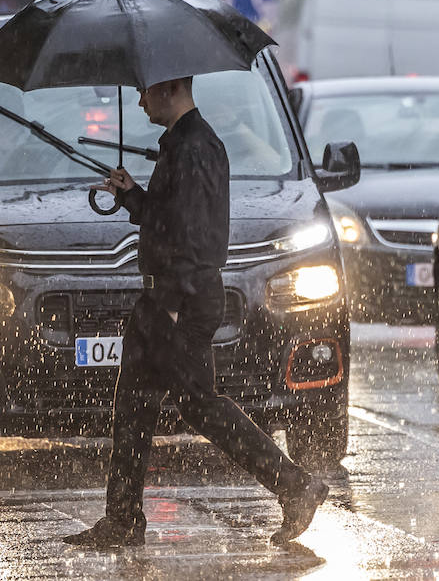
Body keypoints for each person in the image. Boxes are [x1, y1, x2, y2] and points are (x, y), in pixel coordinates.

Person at [63, 76, 329, 549]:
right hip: (167, 297)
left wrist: (168, 307)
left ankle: (296, 486)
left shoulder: (196, 148)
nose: (140, 100)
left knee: (198, 405)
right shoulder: (181, 146)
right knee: (136, 403)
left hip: (179, 299)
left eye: (144, 91)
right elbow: (172, 220)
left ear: (168, 89)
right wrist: (133, 196)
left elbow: (194, 238)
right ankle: (123, 518)